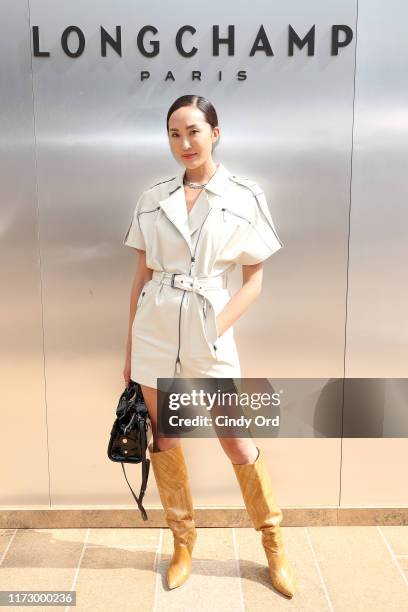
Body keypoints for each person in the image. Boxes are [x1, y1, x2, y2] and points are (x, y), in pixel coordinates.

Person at [122, 94, 296, 598]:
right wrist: (130, 350)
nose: (185, 143)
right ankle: (182, 546)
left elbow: (254, 280)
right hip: (154, 330)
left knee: (236, 440)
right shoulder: (152, 196)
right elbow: (140, 277)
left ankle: (274, 545)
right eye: (174, 134)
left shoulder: (244, 194)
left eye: (194, 131)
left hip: (208, 328)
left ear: (214, 133)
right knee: (167, 440)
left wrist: (213, 330)